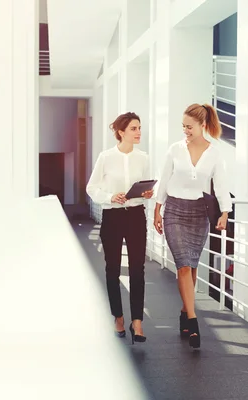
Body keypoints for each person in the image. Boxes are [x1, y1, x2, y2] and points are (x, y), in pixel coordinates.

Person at [153, 103, 232, 349]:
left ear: (202, 125)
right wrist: (157, 209)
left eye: (189, 126)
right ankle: (194, 320)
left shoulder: (215, 153)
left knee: (193, 266)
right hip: (174, 211)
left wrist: (225, 212)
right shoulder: (175, 150)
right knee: (183, 266)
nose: (185, 130)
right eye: (183, 126)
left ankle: (184, 312)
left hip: (199, 213)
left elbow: (220, 184)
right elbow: (164, 179)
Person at [86, 112, 153, 345]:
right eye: (134, 128)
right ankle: (118, 317)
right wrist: (110, 197)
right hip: (112, 216)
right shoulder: (106, 157)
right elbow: (91, 188)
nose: (138, 132)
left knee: (137, 270)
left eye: (139, 128)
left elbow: (146, 187)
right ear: (121, 132)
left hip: (136, 216)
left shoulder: (143, 158)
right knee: (112, 269)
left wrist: (147, 193)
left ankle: (137, 322)